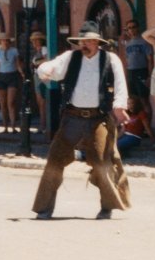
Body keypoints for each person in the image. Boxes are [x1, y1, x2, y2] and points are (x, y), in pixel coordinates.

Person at [32, 20, 131, 220]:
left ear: (96, 42)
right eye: (80, 42)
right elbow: (50, 68)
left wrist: (120, 106)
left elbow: (121, 84)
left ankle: (107, 207)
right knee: (54, 159)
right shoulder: (70, 57)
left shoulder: (111, 59)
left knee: (103, 162)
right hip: (72, 118)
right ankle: (44, 208)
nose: (83, 45)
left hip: (98, 119)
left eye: (87, 42)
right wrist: (44, 71)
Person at [0, 34, 22, 134]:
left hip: (12, 76)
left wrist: (22, 73)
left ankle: (13, 126)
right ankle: (5, 127)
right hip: (1, 77)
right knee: (2, 103)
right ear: (0, 42)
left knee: (11, 102)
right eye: (3, 40)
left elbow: (17, 64)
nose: (5, 42)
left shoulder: (14, 51)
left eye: (7, 40)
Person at [122, 19, 153, 99]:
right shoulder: (128, 44)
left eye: (133, 27)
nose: (131, 30)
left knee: (144, 99)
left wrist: (149, 76)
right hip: (131, 72)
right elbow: (127, 60)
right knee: (133, 99)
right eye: (129, 28)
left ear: (138, 28)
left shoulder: (144, 41)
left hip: (142, 71)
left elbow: (150, 60)